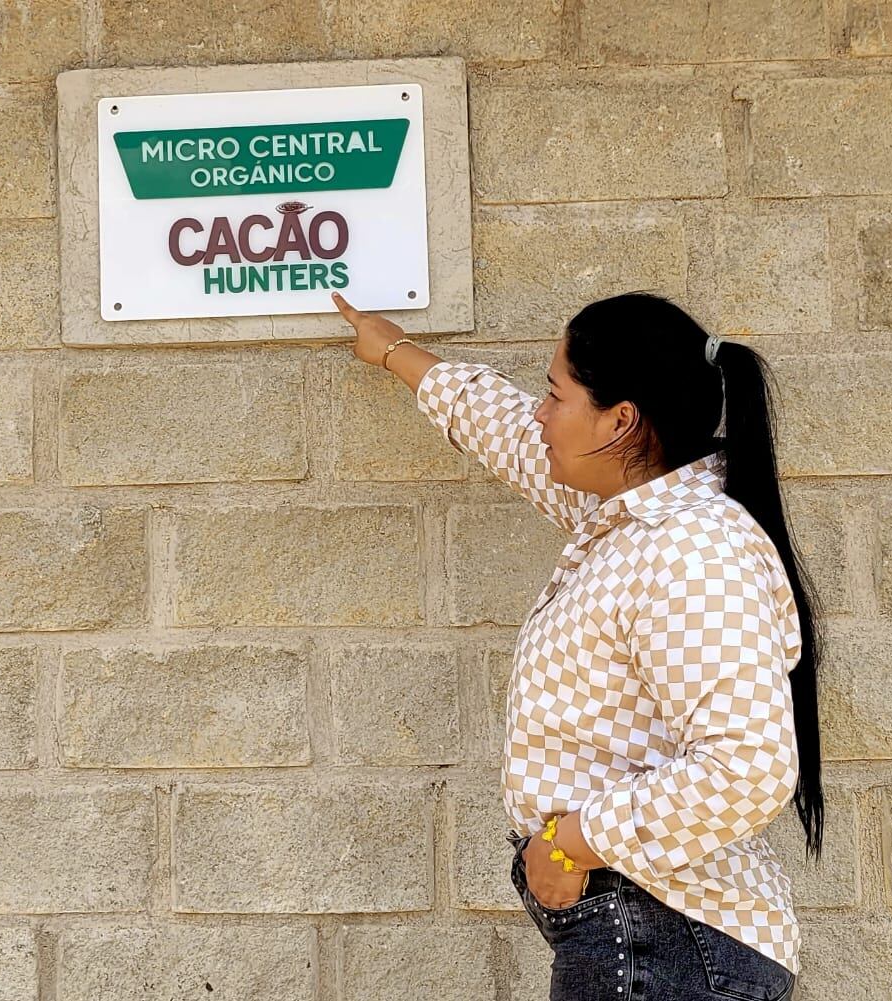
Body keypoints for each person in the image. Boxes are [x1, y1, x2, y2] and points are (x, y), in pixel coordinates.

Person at [332, 289, 823, 1001]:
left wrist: (571, 842)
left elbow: (748, 768)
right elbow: (508, 432)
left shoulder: (691, 551)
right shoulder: (627, 515)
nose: (540, 413)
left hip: (666, 941)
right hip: (657, 937)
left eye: (555, 395)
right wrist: (395, 352)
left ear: (620, 420)